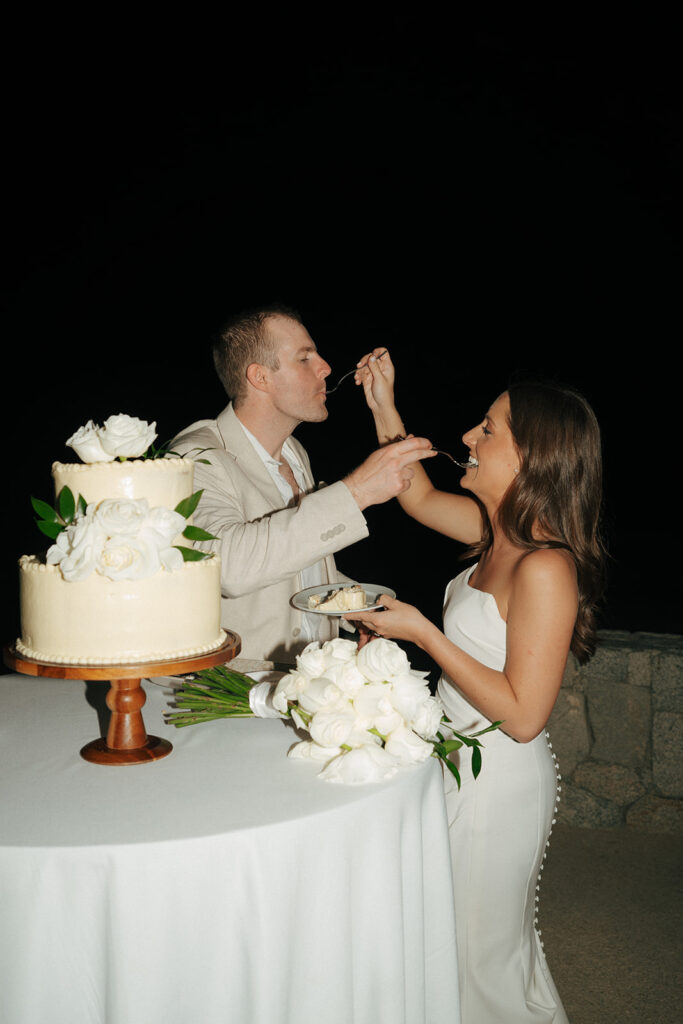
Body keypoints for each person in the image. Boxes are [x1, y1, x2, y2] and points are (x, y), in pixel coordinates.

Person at [348, 349, 607, 1024]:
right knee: (446, 941)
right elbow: (414, 494)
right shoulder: (498, 536)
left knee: (478, 957)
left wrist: (423, 636)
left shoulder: (545, 567)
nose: (467, 437)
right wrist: (382, 403)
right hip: (452, 758)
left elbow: (524, 716)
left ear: (533, 458)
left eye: (488, 429)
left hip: (497, 779)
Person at [171, 306, 435, 667]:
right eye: (305, 358)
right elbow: (227, 568)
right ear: (260, 377)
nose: (325, 367)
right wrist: (356, 491)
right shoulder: (194, 457)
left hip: (309, 680)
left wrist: (352, 603)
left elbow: (294, 563)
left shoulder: (294, 452)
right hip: (235, 691)